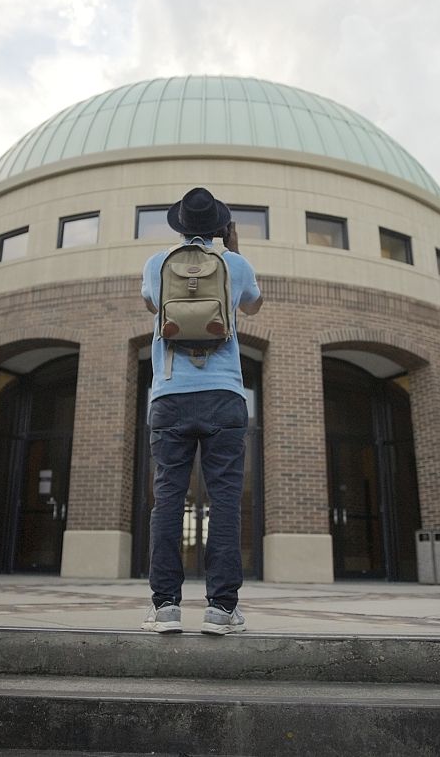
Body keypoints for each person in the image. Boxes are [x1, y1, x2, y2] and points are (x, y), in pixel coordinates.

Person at [140, 187, 263, 635]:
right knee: (226, 501)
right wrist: (234, 253)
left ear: (180, 226)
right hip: (224, 396)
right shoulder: (235, 264)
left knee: (168, 500)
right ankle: (222, 609)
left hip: (169, 394)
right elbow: (252, 305)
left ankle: (166, 607)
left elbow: (152, 305)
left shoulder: (157, 263)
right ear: (220, 226)